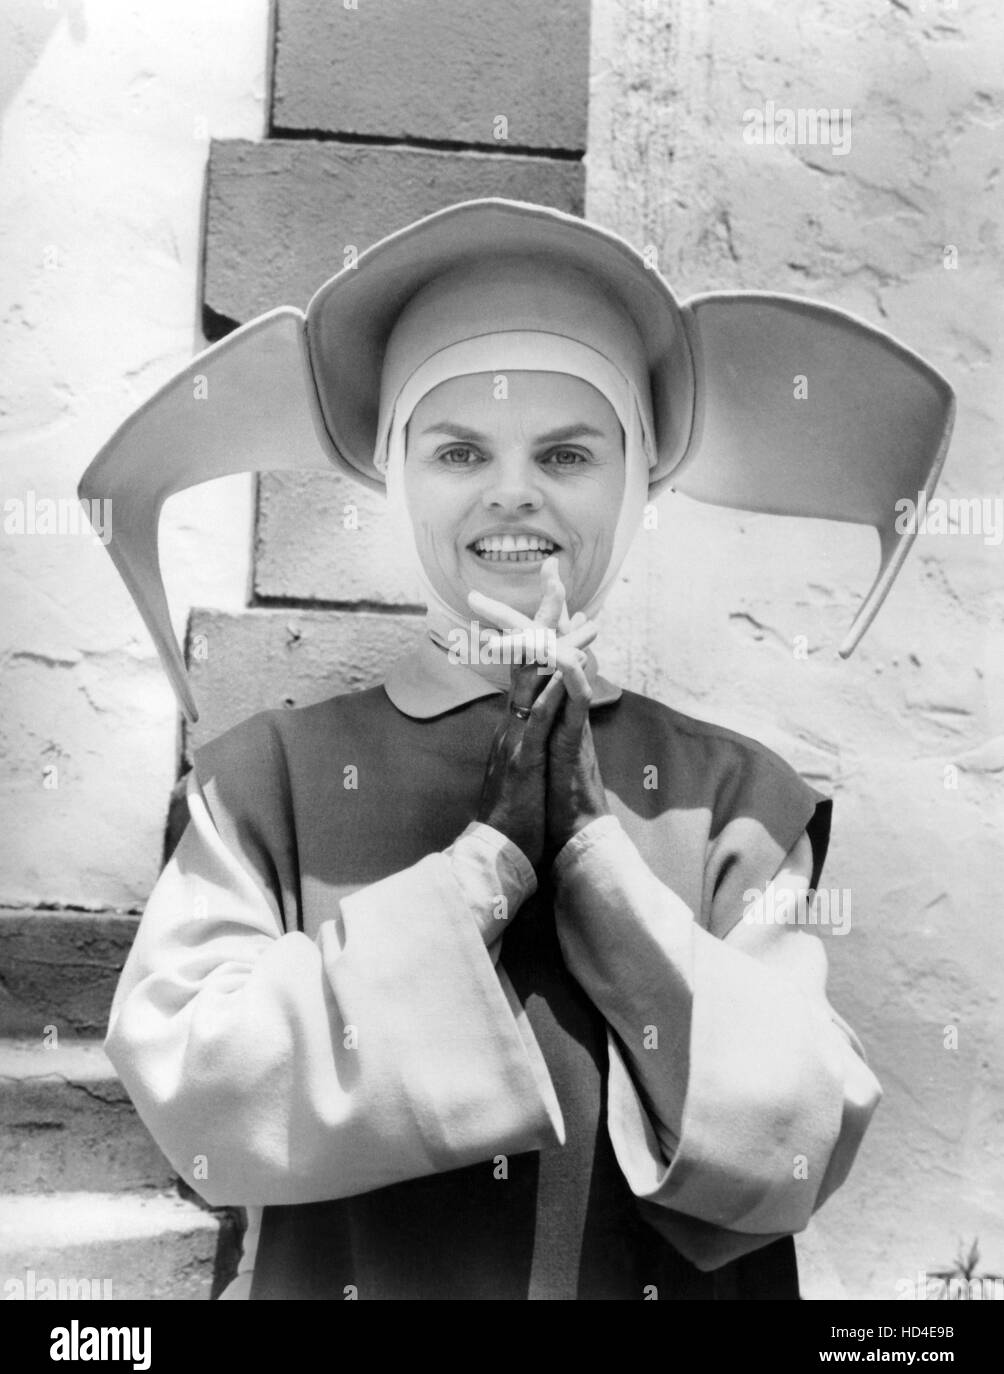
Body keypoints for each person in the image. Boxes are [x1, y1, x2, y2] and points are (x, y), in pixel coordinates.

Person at [81, 199, 955, 1300]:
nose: (511, 490)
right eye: (456, 450)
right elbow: (195, 1092)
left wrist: (595, 863)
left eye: (567, 451)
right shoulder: (267, 784)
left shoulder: (735, 800)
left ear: (634, 481)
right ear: (396, 478)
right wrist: (478, 873)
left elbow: (799, 1133)